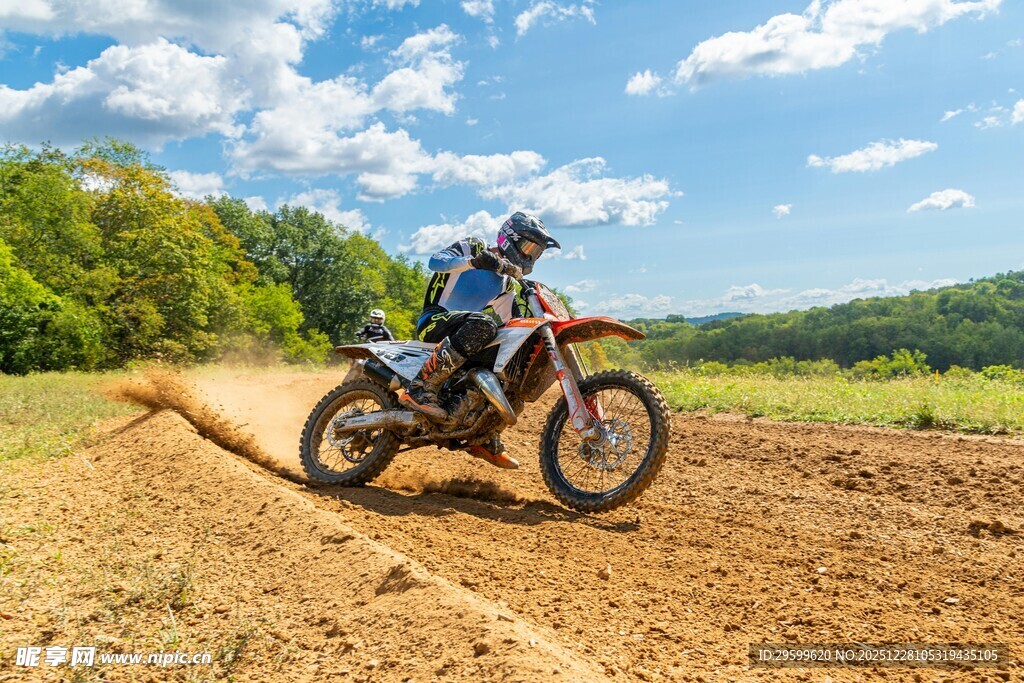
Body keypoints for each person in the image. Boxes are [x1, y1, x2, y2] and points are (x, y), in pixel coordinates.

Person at [400, 212, 559, 469]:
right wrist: (474, 261)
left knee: (516, 358)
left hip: (465, 332)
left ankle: (483, 433)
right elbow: (436, 261)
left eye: (537, 252)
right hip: (435, 321)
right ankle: (420, 389)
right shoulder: (473, 246)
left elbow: (511, 323)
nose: (531, 256)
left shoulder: (506, 284)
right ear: (511, 239)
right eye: (529, 247)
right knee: (483, 323)